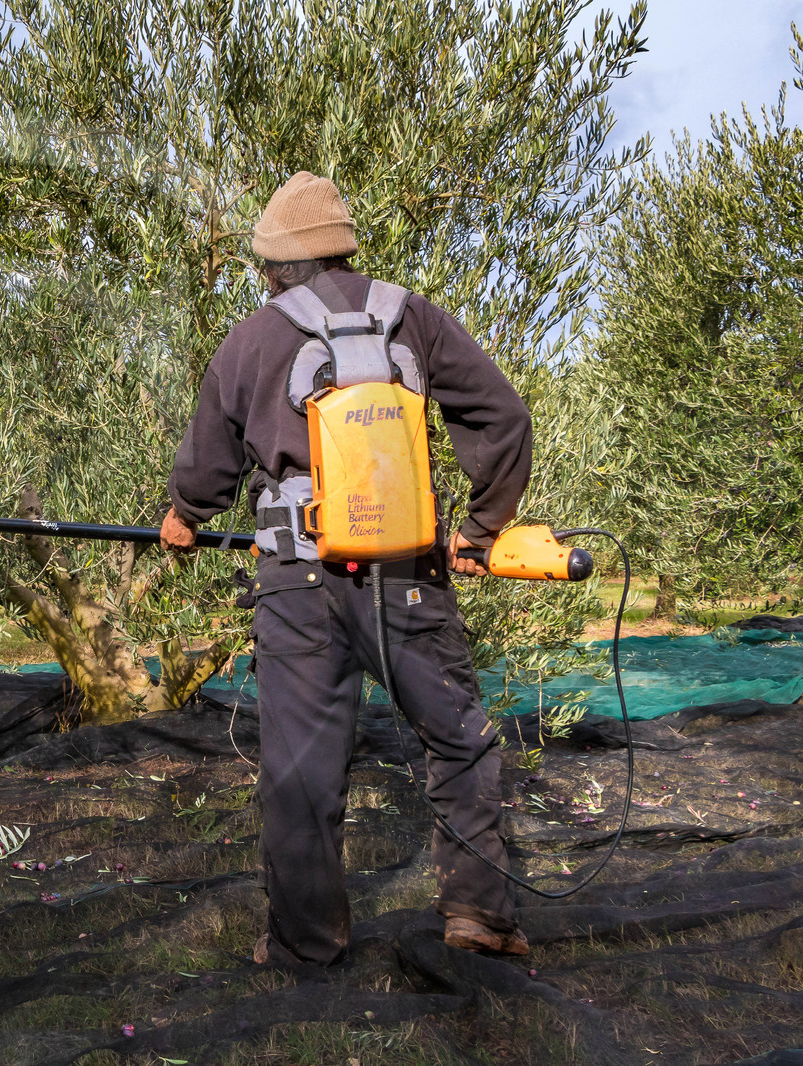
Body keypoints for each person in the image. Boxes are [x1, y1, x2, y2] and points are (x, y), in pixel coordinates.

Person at [160, 171, 532, 966]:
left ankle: (307, 944)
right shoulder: (414, 317)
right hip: (409, 573)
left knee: (301, 771)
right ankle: (478, 916)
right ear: (343, 251)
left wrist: (185, 516)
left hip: (297, 581)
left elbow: (208, 464)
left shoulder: (252, 340)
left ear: (277, 267)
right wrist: (480, 528)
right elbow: (503, 416)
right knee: (458, 740)